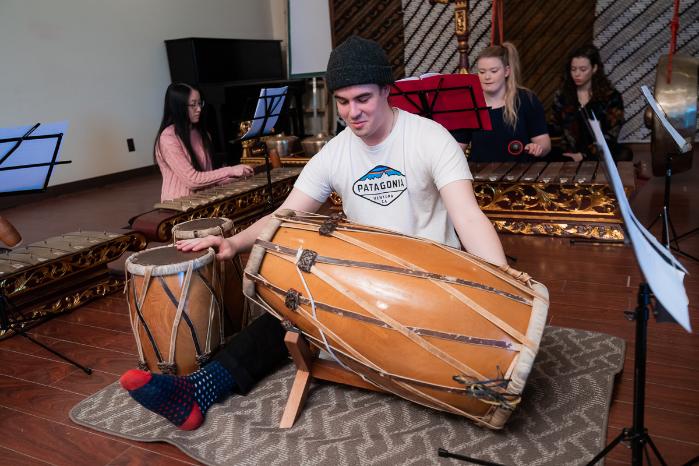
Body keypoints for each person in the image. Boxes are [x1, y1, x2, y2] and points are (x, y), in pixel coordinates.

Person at [119, 36, 508, 430]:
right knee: (289, 302)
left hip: (432, 281)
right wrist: (234, 242)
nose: (352, 112)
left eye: (362, 99)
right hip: (368, 280)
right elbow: (286, 213)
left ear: (387, 91)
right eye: (342, 102)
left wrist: (502, 290)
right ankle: (198, 390)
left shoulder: (431, 138)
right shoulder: (336, 152)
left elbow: (469, 218)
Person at [154, 82, 253, 202]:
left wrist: (234, 177)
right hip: (178, 205)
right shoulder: (168, 138)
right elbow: (193, 181)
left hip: (203, 199)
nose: (199, 109)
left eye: (200, 103)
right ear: (178, 107)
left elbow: (207, 177)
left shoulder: (202, 134)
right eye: (193, 105)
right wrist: (230, 170)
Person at [454, 42, 551, 163]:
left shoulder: (526, 99)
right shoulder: (470, 104)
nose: (487, 77)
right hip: (480, 176)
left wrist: (538, 148)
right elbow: (457, 148)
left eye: (493, 71)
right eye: (482, 72)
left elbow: (544, 142)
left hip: (520, 175)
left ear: (506, 71)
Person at [549, 45, 628, 162]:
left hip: (599, 153)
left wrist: (583, 155)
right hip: (568, 154)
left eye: (583, 69)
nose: (577, 74)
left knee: (624, 154)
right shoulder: (562, 96)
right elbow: (555, 127)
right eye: (573, 69)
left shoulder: (611, 97)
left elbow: (611, 134)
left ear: (594, 68)